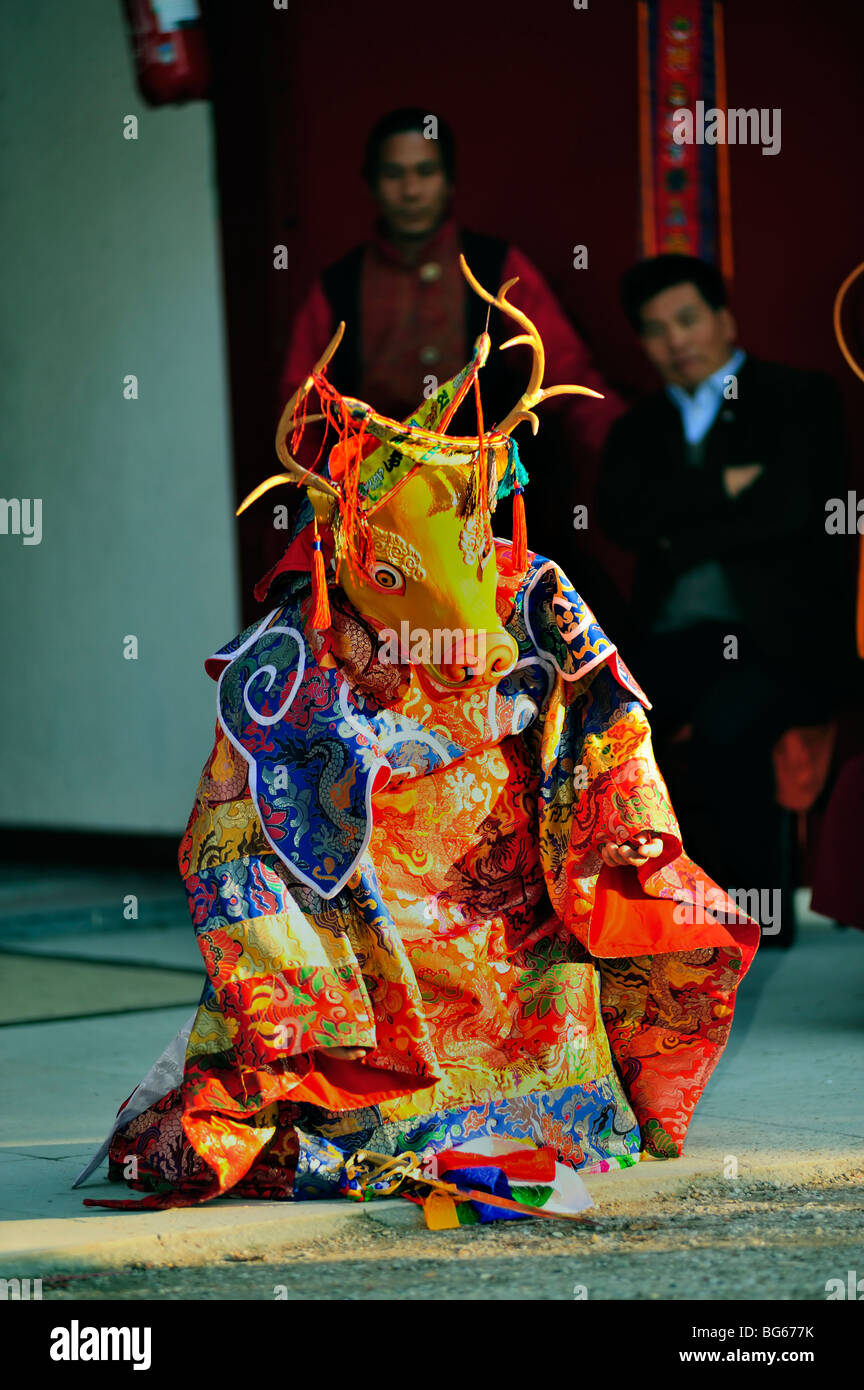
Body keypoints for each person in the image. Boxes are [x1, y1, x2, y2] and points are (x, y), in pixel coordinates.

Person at [77, 278, 758, 1215]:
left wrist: (606, 812)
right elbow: (244, 795)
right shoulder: (309, 619)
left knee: (546, 963)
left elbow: (610, 722)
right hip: (372, 886)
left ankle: (533, 1109)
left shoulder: (529, 586)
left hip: (505, 877)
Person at [279, 106, 625, 602]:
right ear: (373, 185)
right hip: (374, 525)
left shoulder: (496, 266)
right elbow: (302, 416)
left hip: (490, 516)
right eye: (394, 174)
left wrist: (635, 446)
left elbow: (565, 376)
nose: (411, 189)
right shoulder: (337, 288)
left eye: (425, 172)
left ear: (450, 181)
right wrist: (321, 509)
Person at [597, 253, 851, 910]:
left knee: (729, 726)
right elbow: (622, 519)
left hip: (777, 641)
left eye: (687, 319)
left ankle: (747, 919)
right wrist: (727, 489)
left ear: (724, 318)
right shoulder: (638, 428)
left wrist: (677, 521)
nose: (676, 341)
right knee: (598, 722)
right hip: (671, 641)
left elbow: (792, 508)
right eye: (657, 329)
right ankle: (635, 918)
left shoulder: (799, 397)